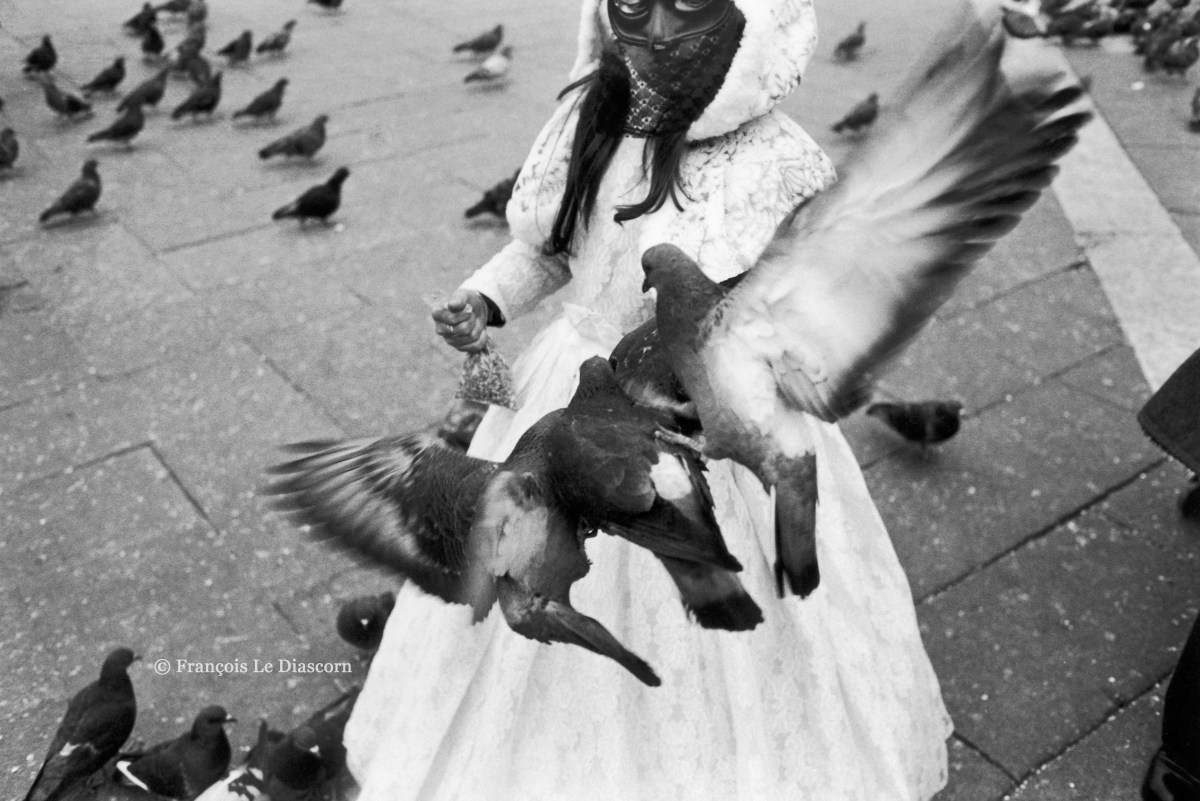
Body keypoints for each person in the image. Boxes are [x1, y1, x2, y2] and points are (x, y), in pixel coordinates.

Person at [343, 0, 952, 798]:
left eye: (688, 6)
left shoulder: (774, 161)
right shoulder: (593, 123)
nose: (657, 32)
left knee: (724, 592)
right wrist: (484, 299)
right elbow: (550, 252)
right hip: (573, 396)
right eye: (634, 5)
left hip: (705, 419)